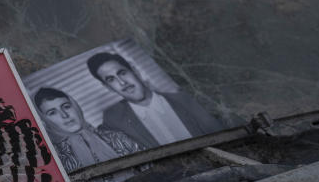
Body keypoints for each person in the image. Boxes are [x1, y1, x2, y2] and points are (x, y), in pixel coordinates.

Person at [86, 52, 224, 149]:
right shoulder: (113, 121)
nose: (122, 82)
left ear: (135, 71)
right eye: (111, 79)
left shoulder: (187, 99)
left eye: (122, 73)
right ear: (108, 87)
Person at [34, 87, 144, 182]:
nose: (64, 115)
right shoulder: (54, 160)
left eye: (66, 107)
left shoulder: (117, 137)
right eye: (52, 112)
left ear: (76, 107)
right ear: (45, 120)